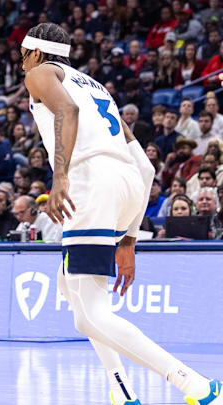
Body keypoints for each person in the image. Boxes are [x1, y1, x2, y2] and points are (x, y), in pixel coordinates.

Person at [22, 22, 222, 405]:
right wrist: (129, 239)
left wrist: (61, 174)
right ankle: (121, 390)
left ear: (35, 52)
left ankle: (194, 384)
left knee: (91, 313)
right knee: (73, 293)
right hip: (128, 182)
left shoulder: (40, 72)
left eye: (22, 54)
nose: (21, 62)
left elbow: (65, 109)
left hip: (90, 180)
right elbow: (146, 168)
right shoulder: (96, 87)